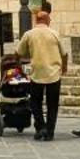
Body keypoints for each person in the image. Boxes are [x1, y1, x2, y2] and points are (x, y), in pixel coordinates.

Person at [13, 7, 66, 140]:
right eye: (49, 18)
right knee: (52, 105)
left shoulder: (29, 34)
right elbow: (64, 54)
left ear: (37, 20)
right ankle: (50, 132)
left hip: (37, 73)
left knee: (35, 102)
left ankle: (41, 127)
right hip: (53, 74)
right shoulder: (54, 33)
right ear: (46, 20)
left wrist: (18, 65)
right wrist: (63, 68)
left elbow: (17, 53)